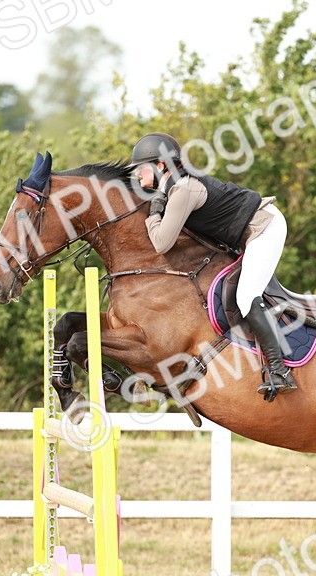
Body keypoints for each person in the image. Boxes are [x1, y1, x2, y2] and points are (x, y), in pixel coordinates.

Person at [128, 132, 297, 401]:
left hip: (265, 227)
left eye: (140, 168)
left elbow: (161, 243)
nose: (136, 175)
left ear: (160, 165)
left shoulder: (183, 189)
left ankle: (279, 371)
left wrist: (153, 214)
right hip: (245, 234)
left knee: (245, 297)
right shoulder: (173, 187)